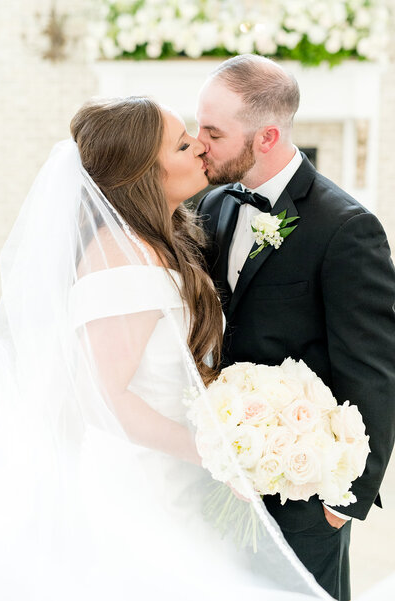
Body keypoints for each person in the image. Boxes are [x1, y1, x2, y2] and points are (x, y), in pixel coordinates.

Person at [0, 96, 330, 601]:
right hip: (141, 491)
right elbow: (103, 397)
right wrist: (213, 453)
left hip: (175, 480)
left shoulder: (163, 238)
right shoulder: (116, 257)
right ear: (143, 176)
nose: (200, 144)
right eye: (181, 143)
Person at [196, 54, 395, 601]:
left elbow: (374, 369)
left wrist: (342, 501)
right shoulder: (215, 203)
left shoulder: (347, 229)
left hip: (303, 492)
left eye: (213, 132)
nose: (199, 143)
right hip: (222, 474)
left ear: (267, 136)